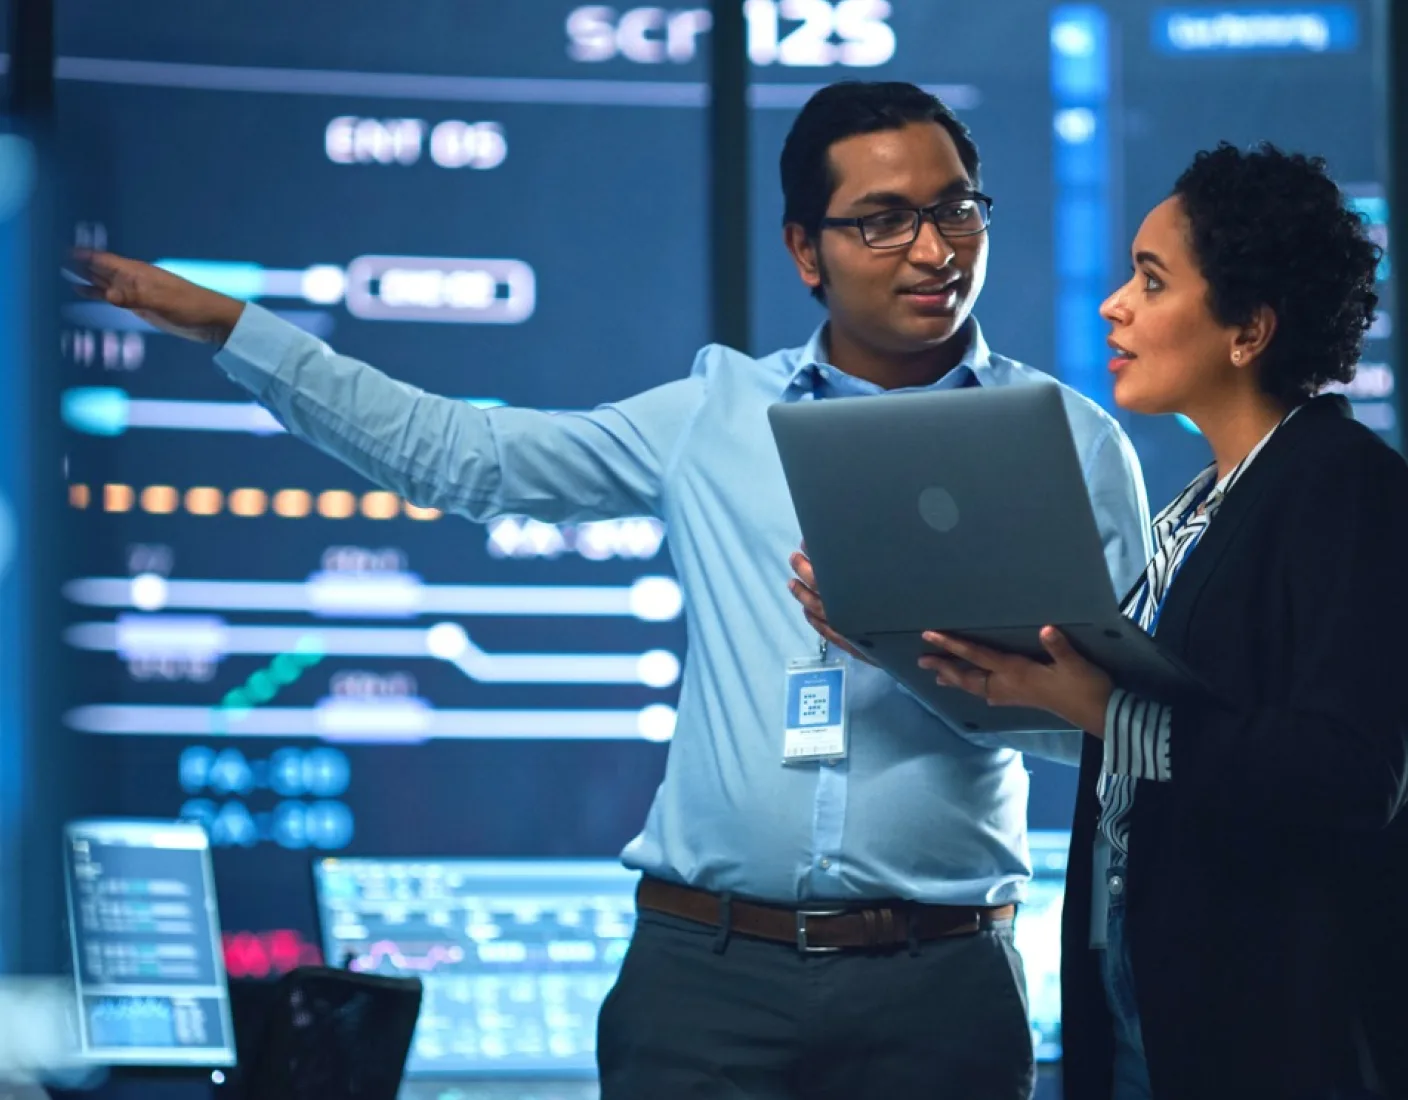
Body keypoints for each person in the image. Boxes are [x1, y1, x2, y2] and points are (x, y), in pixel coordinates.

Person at [75, 81, 1151, 1099]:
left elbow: (1117, 738)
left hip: (939, 982)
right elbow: (467, 457)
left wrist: (925, 659)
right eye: (880, 219)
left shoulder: (1071, 442)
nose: (930, 248)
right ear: (803, 251)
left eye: (954, 209)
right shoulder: (717, 413)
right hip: (706, 976)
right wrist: (234, 328)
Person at [884, 143, 1408, 1098]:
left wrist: (1104, 711)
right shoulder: (1201, 506)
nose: (1113, 303)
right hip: (1148, 1001)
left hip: (1263, 1033)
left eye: (1152, 280)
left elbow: (1349, 773)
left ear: (1247, 328)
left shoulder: (1344, 487)